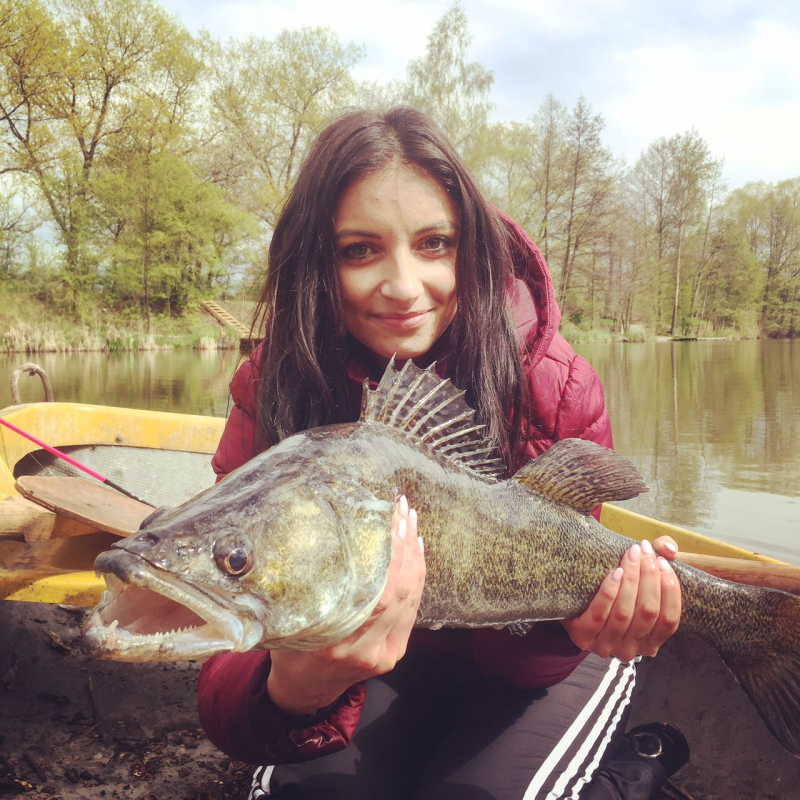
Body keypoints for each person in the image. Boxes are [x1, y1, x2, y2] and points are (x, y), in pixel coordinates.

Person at [197, 107, 688, 800]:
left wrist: (574, 628)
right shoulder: (272, 384)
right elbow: (227, 668)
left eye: (434, 243)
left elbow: (532, 655)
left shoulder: (557, 383)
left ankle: (634, 769)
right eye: (358, 250)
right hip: (379, 662)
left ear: (472, 248)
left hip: (534, 663)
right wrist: (292, 686)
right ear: (315, 262)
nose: (404, 287)